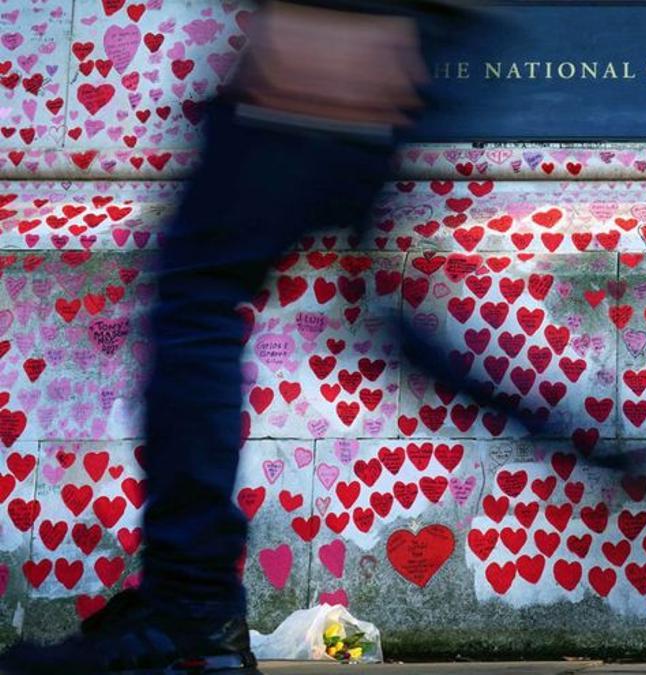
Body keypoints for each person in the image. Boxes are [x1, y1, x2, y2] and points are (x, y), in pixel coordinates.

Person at [0, 2, 478, 672]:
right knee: (364, 326)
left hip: (316, 64)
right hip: (358, 67)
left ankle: (192, 612)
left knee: (195, 303)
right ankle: (596, 449)